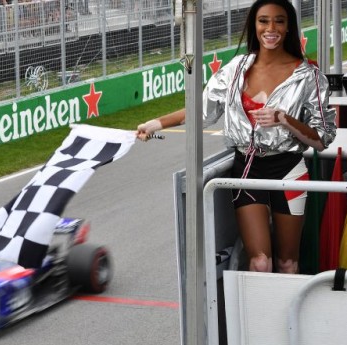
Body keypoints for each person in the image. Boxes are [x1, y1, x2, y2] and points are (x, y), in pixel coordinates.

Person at [136, 0, 336, 274]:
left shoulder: (308, 75)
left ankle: (283, 317)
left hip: (289, 170)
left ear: (289, 27)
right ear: (254, 25)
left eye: (279, 21)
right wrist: (155, 123)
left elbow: (323, 138)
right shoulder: (235, 69)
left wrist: (284, 119)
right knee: (260, 262)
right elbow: (202, 110)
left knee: (287, 263)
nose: (271, 28)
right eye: (263, 21)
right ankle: (259, 316)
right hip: (247, 169)